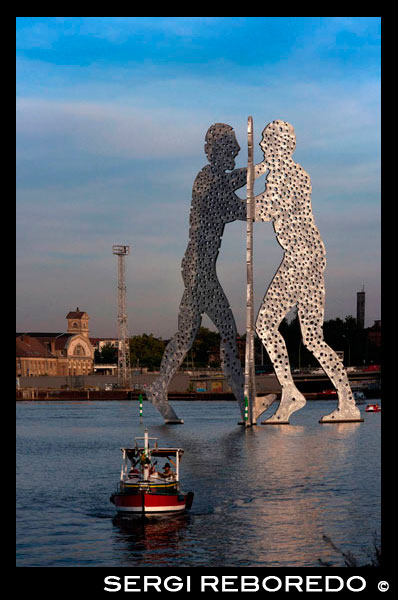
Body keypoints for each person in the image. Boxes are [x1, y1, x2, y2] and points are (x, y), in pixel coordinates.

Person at [146, 123, 266, 423]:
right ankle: (247, 406)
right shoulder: (209, 181)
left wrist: (262, 168)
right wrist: (270, 184)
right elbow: (243, 209)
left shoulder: (211, 179)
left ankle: (159, 389)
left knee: (185, 337)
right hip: (200, 271)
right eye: (231, 147)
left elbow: (236, 183)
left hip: (197, 267)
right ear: (214, 151)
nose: (237, 151)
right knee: (227, 333)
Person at [254, 120, 361, 423]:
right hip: (307, 256)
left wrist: (233, 207)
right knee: (312, 337)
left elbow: (266, 209)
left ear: (281, 145)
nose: (262, 146)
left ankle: (292, 392)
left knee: (266, 325)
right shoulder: (290, 172)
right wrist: (257, 172)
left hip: (301, 258)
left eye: (267, 141)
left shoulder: (289, 174)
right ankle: (345, 402)